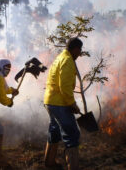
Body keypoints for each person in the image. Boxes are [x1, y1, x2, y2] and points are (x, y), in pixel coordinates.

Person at [43, 37, 82, 170]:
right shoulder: (67, 60)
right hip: (59, 103)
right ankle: (74, 166)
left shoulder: (59, 57)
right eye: (79, 50)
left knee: (54, 131)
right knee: (72, 134)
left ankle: (49, 162)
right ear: (75, 49)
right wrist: (72, 103)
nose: (80, 53)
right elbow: (64, 85)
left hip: (50, 101)